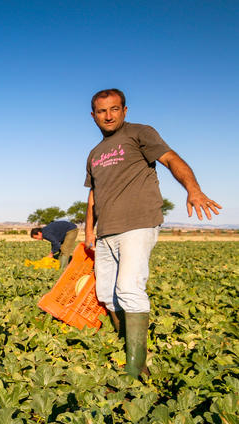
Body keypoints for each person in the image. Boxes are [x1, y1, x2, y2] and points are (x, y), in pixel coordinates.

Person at [84, 88, 221, 378]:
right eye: (101, 111)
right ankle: (126, 345)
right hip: (106, 232)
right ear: (93, 115)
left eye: (114, 109)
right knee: (107, 295)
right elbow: (94, 196)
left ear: (124, 111)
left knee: (129, 290)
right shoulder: (94, 154)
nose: (108, 115)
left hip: (137, 223)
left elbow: (171, 159)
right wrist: (89, 232)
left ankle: (136, 369)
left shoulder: (139, 133)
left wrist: (193, 189)